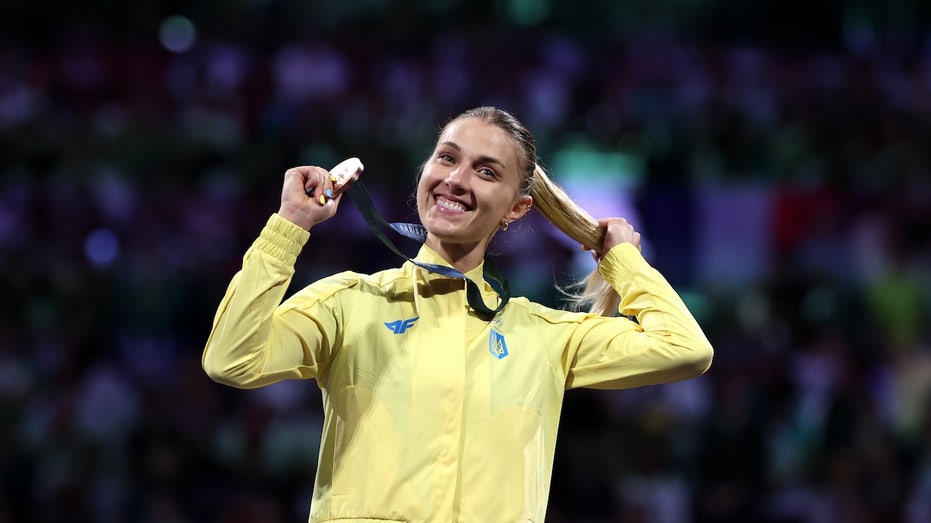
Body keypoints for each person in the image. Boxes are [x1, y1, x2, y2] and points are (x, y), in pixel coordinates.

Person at [202, 106, 713, 523]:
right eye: (446, 159)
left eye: (486, 172)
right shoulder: (349, 302)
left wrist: (621, 260)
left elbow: (686, 349)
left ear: (517, 208)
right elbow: (231, 359)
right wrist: (289, 226)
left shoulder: (545, 336)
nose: (456, 180)